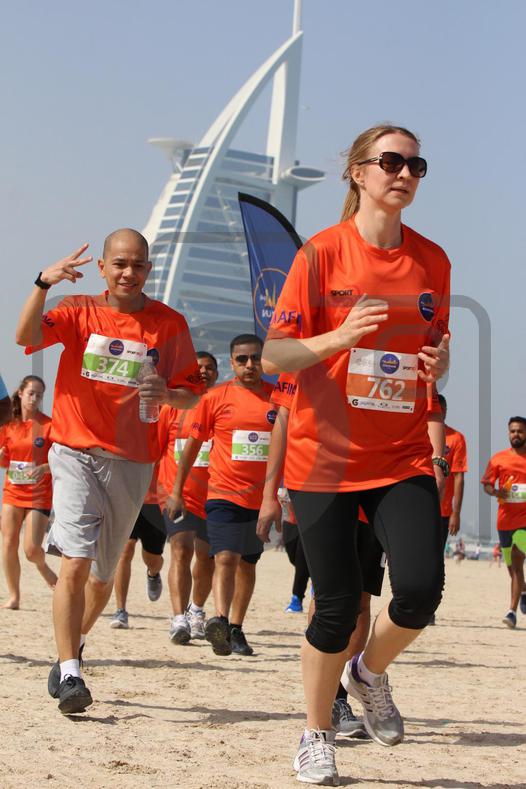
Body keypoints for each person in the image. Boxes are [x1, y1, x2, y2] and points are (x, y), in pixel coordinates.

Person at [262, 124, 450, 785]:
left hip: (400, 452)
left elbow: (433, 350)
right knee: (338, 605)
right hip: (324, 456)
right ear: (358, 172)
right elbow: (274, 354)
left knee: (420, 590)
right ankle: (316, 734)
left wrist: (440, 365)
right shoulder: (321, 254)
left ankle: (367, 674)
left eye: (415, 165)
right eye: (391, 162)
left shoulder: (433, 261)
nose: (404, 174)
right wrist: (338, 337)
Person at [16, 229, 202, 715]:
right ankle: (71, 673)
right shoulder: (77, 309)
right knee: (74, 562)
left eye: (137, 265)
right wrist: (42, 284)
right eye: (119, 263)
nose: (128, 273)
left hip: (134, 460)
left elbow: (191, 394)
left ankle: (72, 647)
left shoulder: (169, 324)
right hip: (75, 450)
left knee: (101, 577)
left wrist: (167, 394)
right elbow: (26, 337)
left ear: (148, 270)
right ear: (102, 267)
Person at [257, 374, 386, 740]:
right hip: (325, 492)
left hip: (376, 496)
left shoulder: (384, 356)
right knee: (328, 599)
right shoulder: (306, 357)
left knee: (362, 601)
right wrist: (270, 495)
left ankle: (341, 696)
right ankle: (325, 703)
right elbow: (283, 422)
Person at [170, 334, 274, 657]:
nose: (249, 365)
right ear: (232, 362)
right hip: (222, 494)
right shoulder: (215, 398)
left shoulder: (278, 399)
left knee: (248, 564)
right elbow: (192, 446)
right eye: (242, 359)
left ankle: (236, 628)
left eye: (255, 358)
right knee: (225, 557)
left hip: (260, 499)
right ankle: (220, 620)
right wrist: (176, 490)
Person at [159, 351, 218, 643]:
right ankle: (178, 618)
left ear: (217, 374)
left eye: (210, 368)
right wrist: (166, 492)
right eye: (199, 368)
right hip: (177, 495)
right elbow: (156, 448)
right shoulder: (171, 408)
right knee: (180, 550)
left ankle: (196, 610)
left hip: (215, 496)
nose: (204, 372)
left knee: (206, 558)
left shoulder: (220, 404)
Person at [0, 375, 57, 609]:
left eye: (39, 395)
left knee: (32, 550)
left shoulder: (48, 425)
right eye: (31, 393)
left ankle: (42, 567)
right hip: (12, 491)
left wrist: (43, 468)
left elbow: (61, 460)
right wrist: (2, 457)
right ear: (21, 393)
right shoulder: (8, 424)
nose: (34, 398)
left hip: (39, 495)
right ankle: (14, 596)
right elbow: (4, 462)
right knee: (8, 543)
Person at [482, 416, 526, 628]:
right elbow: (487, 484)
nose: (516, 434)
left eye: (520, 431)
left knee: (517, 561)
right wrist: (496, 491)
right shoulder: (498, 459)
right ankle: (523, 591)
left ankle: (511, 612)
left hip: (524, 521)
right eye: (513, 431)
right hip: (504, 521)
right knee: (513, 570)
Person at [109, 470, 166, 629]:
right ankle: (121, 610)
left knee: (153, 559)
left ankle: (153, 574)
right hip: (128, 498)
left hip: (156, 502)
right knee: (125, 550)